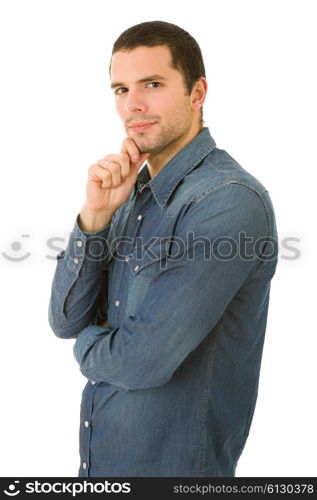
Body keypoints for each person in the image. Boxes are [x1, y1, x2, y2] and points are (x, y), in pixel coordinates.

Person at [48, 20, 278, 477]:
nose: (133, 104)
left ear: (197, 93)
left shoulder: (226, 200)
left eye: (152, 84)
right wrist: (94, 218)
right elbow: (65, 319)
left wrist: (87, 345)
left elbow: (140, 362)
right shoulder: (129, 193)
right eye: (120, 88)